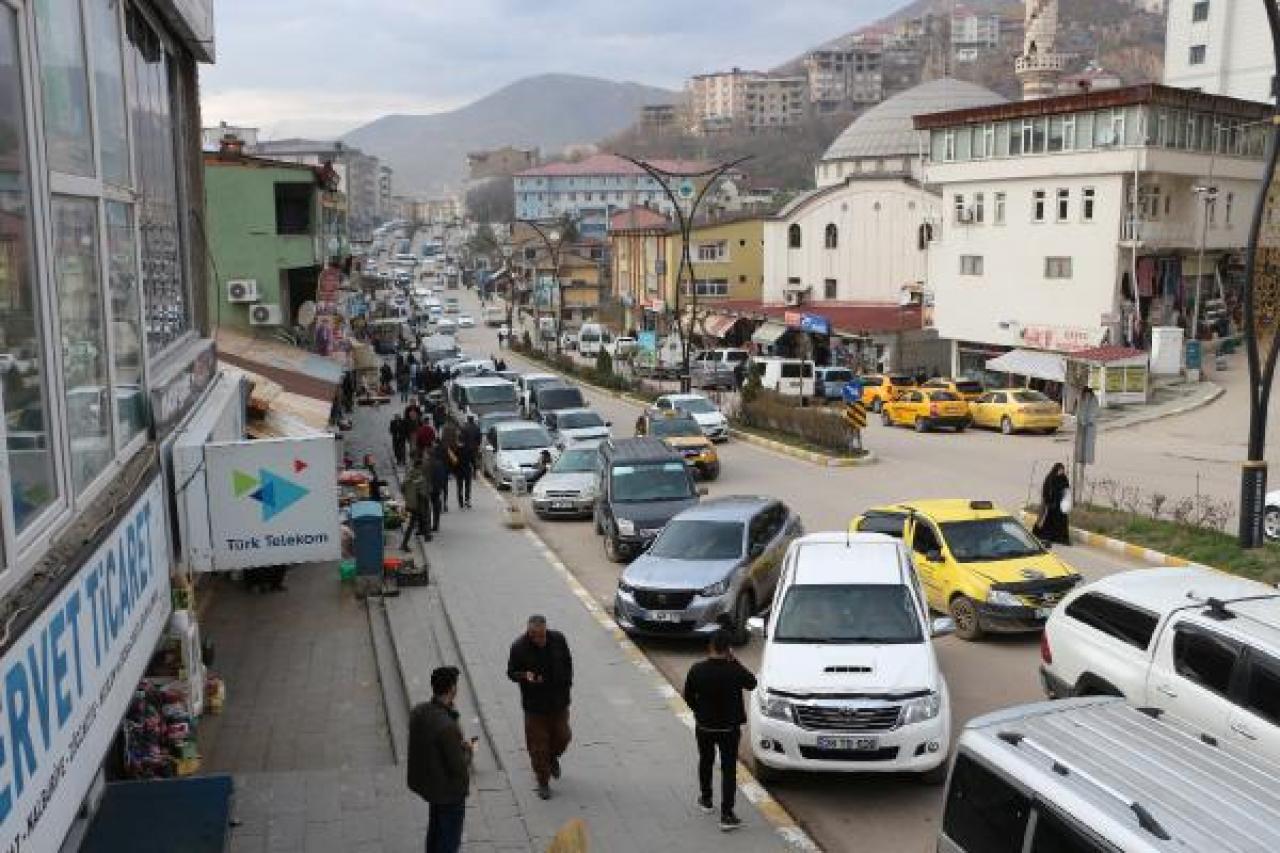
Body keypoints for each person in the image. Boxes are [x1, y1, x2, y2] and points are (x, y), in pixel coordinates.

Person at [682, 626, 757, 832]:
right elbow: (752, 683)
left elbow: (688, 695)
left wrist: (699, 712)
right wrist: (736, 661)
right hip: (728, 729)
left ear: (710, 646)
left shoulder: (697, 669)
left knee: (705, 761)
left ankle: (706, 800)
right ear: (728, 649)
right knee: (728, 769)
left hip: (704, 727)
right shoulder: (734, 669)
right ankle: (727, 814)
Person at [506, 615, 573, 800]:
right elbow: (511, 673)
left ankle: (552, 757)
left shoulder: (558, 639)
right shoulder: (518, 647)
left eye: (542, 635)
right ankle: (543, 781)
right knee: (537, 746)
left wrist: (567, 684)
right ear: (529, 632)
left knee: (564, 736)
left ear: (546, 630)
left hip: (559, 703)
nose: (540, 640)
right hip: (534, 706)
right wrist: (524, 676)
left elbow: (568, 662)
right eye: (535, 636)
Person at [408, 666, 473, 853]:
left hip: (430, 786)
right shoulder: (446, 726)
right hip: (449, 792)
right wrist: (468, 751)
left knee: (435, 831)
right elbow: (459, 766)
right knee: (449, 841)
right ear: (452, 688)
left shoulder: (419, 712)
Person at [399, 454, 434, 548]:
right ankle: (426, 536)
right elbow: (423, 491)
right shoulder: (420, 477)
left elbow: (402, 488)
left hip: (410, 503)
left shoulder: (409, 475)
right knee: (424, 518)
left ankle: (405, 543)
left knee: (413, 522)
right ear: (419, 466)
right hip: (419, 502)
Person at [1034, 463, 1072, 547]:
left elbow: (1067, 488)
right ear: (1056, 469)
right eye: (1060, 470)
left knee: (1062, 522)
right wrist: (1048, 502)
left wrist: (1066, 499)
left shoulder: (1064, 478)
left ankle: (1062, 539)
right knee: (1050, 521)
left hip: (1061, 504)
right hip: (1052, 504)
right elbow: (1046, 490)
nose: (1061, 472)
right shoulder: (1050, 478)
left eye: (1062, 470)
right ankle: (1048, 536)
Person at [457, 415, 482, 509]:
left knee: (459, 485)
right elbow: (479, 438)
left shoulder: (457, 449)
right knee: (467, 484)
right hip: (468, 467)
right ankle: (467, 500)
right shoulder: (476, 427)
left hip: (459, 469)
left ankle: (460, 501)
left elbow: (454, 460)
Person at [428, 441, 450, 533]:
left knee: (427, 506)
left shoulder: (428, 464)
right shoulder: (440, 463)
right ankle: (436, 524)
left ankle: (429, 525)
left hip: (430, 487)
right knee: (436, 504)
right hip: (437, 486)